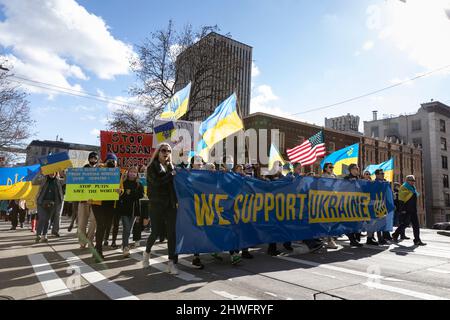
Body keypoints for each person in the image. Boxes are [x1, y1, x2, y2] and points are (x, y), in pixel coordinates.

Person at [142, 143, 179, 274]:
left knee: (172, 234)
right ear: (158, 152)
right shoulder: (152, 167)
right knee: (156, 232)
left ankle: (171, 263)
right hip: (156, 204)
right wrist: (171, 175)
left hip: (170, 204)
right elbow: (157, 183)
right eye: (163, 150)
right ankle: (146, 253)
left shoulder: (171, 166)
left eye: (168, 150)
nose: (166, 152)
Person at [288, 163, 324, 253]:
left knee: (304, 224)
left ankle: (312, 242)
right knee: (301, 225)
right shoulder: (290, 177)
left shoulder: (302, 178)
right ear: (294, 169)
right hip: (292, 205)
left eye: (301, 169)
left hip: (301, 205)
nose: (300, 170)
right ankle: (311, 243)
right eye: (298, 169)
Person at [91, 152, 120, 262]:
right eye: (109, 160)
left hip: (110, 203)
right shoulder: (99, 169)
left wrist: (120, 191)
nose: (112, 163)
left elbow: (121, 187)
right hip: (98, 202)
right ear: (105, 161)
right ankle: (98, 251)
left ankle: (97, 247)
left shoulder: (119, 173)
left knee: (107, 225)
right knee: (101, 225)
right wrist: (100, 167)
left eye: (114, 161)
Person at [267, 161, 294, 256]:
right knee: (274, 228)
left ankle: (287, 243)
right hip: (272, 206)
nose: (280, 168)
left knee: (287, 225)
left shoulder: (284, 178)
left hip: (284, 205)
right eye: (278, 166)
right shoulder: (268, 177)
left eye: (281, 166)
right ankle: (272, 248)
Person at [117, 167, 144, 258]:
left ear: (137, 174)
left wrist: (130, 193)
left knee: (129, 230)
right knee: (127, 228)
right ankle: (125, 247)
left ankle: (124, 243)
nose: (133, 173)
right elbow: (121, 195)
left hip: (134, 210)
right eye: (131, 172)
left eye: (135, 172)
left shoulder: (139, 184)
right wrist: (124, 193)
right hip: (124, 209)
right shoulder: (123, 183)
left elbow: (141, 195)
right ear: (128, 173)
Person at [392, 175, 426, 246]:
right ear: (407, 181)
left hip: (413, 210)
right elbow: (401, 200)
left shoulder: (413, 188)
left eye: (413, 181)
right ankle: (395, 234)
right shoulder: (403, 188)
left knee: (416, 225)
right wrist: (402, 210)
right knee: (405, 224)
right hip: (406, 210)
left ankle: (417, 240)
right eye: (411, 181)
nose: (413, 182)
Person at [35, 172, 64, 243]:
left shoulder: (58, 181)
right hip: (41, 203)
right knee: (42, 218)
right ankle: (38, 235)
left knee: (47, 220)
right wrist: (40, 172)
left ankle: (44, 235)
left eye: (54, 172)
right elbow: (34, 181)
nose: (52, 173)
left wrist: (63, 173)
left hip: (52, 204)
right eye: (50, 171)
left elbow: (68, 180)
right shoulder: (43, 179)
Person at [77, 152, 98, 249]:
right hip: (83, 199)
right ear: (89, 159)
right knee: (82, 222)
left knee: (93, 221)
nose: (93, 160)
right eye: (92, 158)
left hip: (95, 200)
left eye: (95, 158)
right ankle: (82, 242)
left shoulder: (100, 170)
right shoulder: (84, 168)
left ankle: (90, 240)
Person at [344, 164, 363, 247]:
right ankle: (352, 239)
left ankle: (356, 236)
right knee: (350, 222)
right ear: (351, 170)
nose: (357, 170)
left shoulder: (359, 178)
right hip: (349, 203)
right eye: (355, 168)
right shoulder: (346, 178)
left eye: (358, 168)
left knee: (358, 221)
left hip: (358, 203)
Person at [320, 163, 339, 250]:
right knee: (327, 221)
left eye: (332, 167)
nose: (332, 168)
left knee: (332, 221)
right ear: (325, 168)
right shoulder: (323, 177)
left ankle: (327, 238)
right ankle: (329, 240)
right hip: (325, 201)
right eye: (330, 167)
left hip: (334, 201)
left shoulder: (334, 176)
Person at [374, 169, 393, 243]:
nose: (383, 175)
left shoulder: (385, 182)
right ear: (377, 175)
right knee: (378, 222)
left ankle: (384, 237)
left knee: (383, 221)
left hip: (384, 204)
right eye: (381, 173)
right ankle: (380, 238)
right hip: (377, 204)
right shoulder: (374, 183)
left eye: (383, 173)